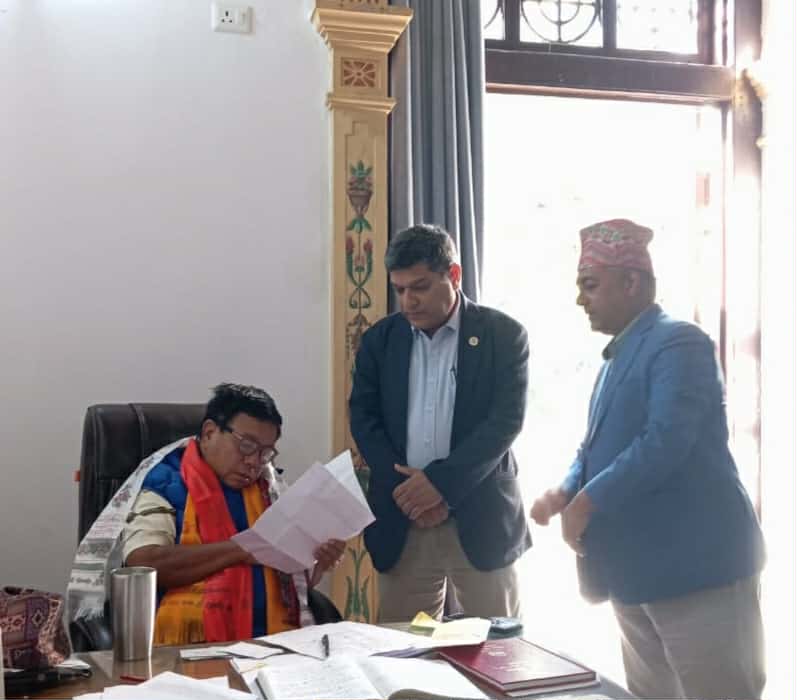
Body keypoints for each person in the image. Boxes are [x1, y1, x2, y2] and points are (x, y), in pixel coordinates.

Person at [530, 219, 766, 699]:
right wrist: (566, 490)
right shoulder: (617, 356)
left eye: (590, 285)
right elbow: (594, 448)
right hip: (633, 573)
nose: (580, 300)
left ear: (631, 283)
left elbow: (665, 441)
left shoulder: (679, 342)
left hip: (696, 569)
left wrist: (588, 501)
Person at [349, 223, 531, 622]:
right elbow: (363, 418)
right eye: (399, 290)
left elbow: (504, 422)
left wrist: (440, 485)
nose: (408, 301)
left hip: (480, 517)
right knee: (403, 647)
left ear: (454, 275)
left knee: (497, 646)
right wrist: (411, 493)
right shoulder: (380, 340)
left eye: (420, 287)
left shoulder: (502, 335)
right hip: (403, 519)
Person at [121, 383, 345, 644]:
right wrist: (242, 549)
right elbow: (143, 564)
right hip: (190, 645)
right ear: (209, 433)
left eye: (265, 452)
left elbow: (290, 583)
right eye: (247, 446)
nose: (254, 462)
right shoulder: (165, 483)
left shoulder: (270, 489)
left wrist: (317, 564)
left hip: (275, 644)